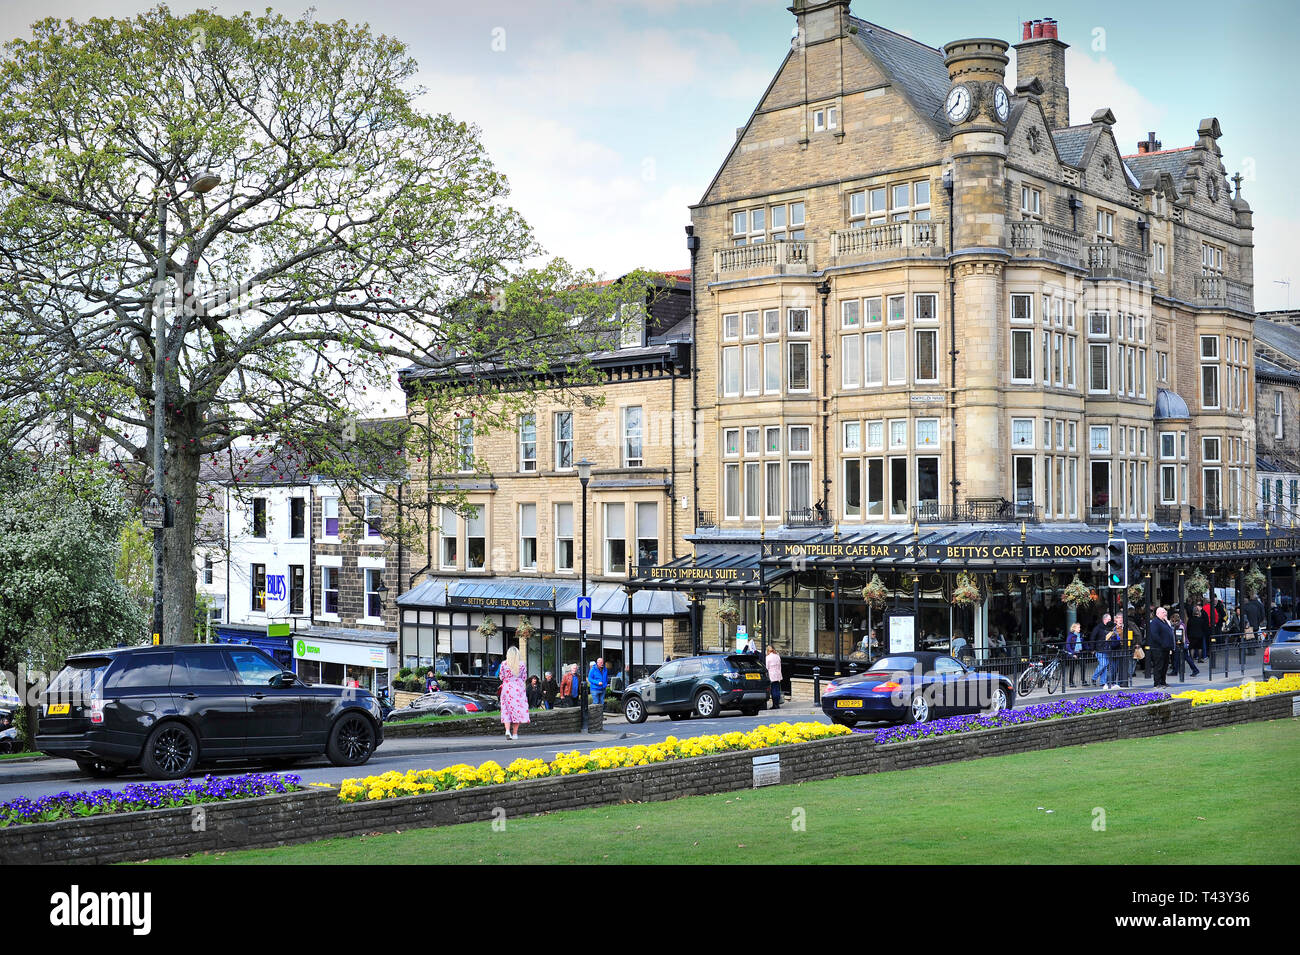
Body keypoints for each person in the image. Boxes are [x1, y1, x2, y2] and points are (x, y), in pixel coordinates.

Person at [497, 646, 529, 740]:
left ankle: (507, 731)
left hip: (507, 688)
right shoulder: (522, 664)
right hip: (518, 688)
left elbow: (501, 677)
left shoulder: (504, 663)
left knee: (506, 710)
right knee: (517, 711)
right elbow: (524, 677)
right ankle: (515, 734)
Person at [1147, 606, 1175, 689]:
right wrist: (1162, 643)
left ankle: (1163, 681)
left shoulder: (1165, 622)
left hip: (1166, 648)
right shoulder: (1155, 622)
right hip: (1158, 648)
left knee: (1165, 666)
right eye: (1163, 612)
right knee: (1159, 665)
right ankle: (1157, 683)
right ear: (1158, 613)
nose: (1165, 613)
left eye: (1165, 612)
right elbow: (1155, 635)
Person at [1090, 613, 1112, 687]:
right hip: (1100, 649)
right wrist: (1092, 649)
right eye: (1109, 619)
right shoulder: (1098, 627)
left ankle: (1103, 682)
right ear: (1104, 619)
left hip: (1107, 649)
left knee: (1105, 666)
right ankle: (1094, 678)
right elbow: (1092, 637)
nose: (1110, 621)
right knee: (1103, 664)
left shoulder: (1109, 627)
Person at [1064, 622, 1086, 687]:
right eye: (1078, 627)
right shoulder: (1070, 636)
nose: (1080, 628)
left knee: (1083, 666)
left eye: (1079, 627)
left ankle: (1083, 681)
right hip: (1073, 653)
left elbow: (1084, 644)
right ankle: (1071, 682)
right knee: (1072, 668)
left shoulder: (1080, 635)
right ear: (1074, 628)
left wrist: (1090, 649)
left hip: (1080, 652)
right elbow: (1068, 646)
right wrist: (1073, 653)